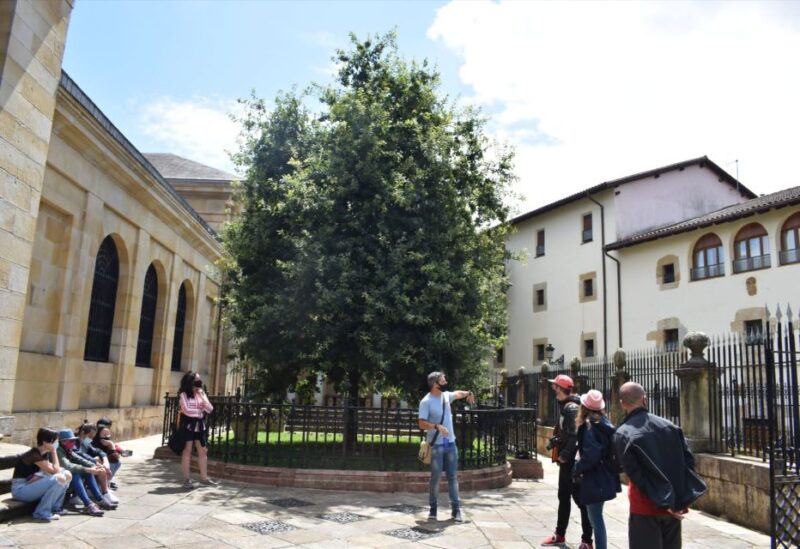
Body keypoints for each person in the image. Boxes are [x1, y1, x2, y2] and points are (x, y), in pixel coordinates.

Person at [613, 382, 708, 549]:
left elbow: (636, 476)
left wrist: (662, 501)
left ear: (622, 404)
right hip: (673, 505)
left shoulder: (622, 433)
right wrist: (676, 501)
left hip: (644, 505)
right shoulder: (670, 426)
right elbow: (687, 463)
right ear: (645, 399)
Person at [541, 374, 593, 549]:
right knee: (563, 497)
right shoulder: (568, 405)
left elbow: (574, 436)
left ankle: (587, 541)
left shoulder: (570, 408)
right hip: (567, 463)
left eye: (554, 386)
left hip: (571, 463)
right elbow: (568, 432)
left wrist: (564, 455)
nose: (552, 388)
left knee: (581, 501)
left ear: (560, 388)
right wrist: (557, 440)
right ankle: (560, 534)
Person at [417, 371, 475, 523]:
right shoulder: (426, 401)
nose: (445, 381)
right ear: (435, 383)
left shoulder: (446, 396)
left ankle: (456, 511)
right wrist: (437, 426)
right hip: (436, 446)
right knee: (435, 478)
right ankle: (433, 509)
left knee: (453, 477)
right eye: (443, 380)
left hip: (450, 444)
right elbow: (421, 423)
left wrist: (469, 393)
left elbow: (458, 394)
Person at [572, 390, 621, 549]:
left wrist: (577, 467)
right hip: (604, 476)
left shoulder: (590, 426)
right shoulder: (603, 423)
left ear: (584, 407)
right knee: (595, 517)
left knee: (596, 519)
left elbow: (591, 455)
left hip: (594, 477)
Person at [10, 427, 71, 522]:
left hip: (31, 484)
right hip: (21, 490)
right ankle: (41, 512)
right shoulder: (34, 455)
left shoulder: (43, 453)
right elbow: (55, 471)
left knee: (67, 474)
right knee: (59, 478)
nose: (57, 443)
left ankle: (56, 508)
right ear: (45, 442)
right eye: (55, 441)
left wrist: (41, 475)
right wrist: (54, 451)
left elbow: (55, 470)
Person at [56, 428, 117, 514]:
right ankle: (88, 505)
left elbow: (80, 459)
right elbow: (68, 466)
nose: (73, 443)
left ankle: (99, 499)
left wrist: (95, 466)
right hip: (59, 482)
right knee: (76, 474)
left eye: (74, 440)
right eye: (71, 441)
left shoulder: (67, 450)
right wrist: (87, 469)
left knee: (88, 473)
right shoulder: (59, 451)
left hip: (65, 480)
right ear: (63, 442)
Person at [178, 371, 216, 487]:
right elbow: (186, 410)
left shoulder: (201, 394)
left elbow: (210, 409)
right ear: (190, 382)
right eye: (197, 381)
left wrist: (202, 397)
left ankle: (204, 478)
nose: (199, 383)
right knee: (187, 450)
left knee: (203, 451)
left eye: (199, 380)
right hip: (189, 426)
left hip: (199, 427)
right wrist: (199, 411)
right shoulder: (184, 395)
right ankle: (186, 479)